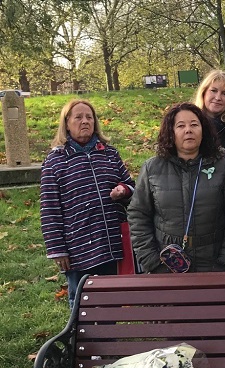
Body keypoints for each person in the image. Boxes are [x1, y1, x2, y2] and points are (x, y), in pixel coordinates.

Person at [40, 99, 135, 309]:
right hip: (77, 247)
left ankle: (108, 339)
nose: (85, 121)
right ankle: (80, 340)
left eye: (89, 117)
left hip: (110, 241)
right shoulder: (55, 161)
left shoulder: (109, 154)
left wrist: (124, 191)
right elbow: (49, 211)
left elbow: (131, 186)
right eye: (78, 117)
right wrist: (57, 249)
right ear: (66, 123)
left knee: (110, 301)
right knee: (82, 301)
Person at [128, 103, 225, 273]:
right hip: (166, 265)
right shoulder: (153, 168)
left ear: (203, 130)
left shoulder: (222, 166)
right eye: (180, 125)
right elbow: (138, 215)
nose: (188, 130)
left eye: (194, 124)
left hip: (212, 265)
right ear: (170, 132)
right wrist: (151, 261)